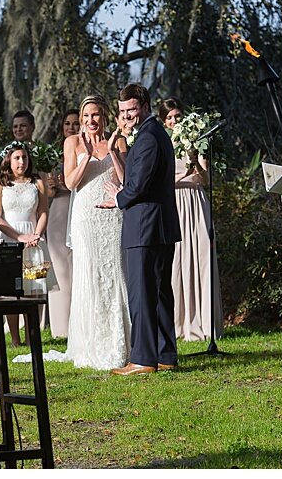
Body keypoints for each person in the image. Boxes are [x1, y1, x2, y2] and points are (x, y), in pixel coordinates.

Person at [111, 84, 182, 376]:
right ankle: (165, 354)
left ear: (145, 106)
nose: (127, 116)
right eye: (122, 111)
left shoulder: (149, 138)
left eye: (132, 109)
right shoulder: (155, 134)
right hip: (159, 227)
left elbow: (137, 184)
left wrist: (116, 198)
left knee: (142, 295)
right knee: (160, 293)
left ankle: (142, 359)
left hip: (145, 227)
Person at [62, 95, 130, 370]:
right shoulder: (73, 143)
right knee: (90, 272)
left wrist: (112, 151)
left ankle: (121, 341)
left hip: (113, 214)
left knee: (115, 273)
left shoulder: (120, 141)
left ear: (104, 116)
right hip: (86, 216)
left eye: (96, 115)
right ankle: (91, 343)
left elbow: (126, 180)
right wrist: (87, 156)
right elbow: (69, 183)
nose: (91, 121)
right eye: (86, 116)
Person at [162, 98, 221, 342]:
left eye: (177, 116)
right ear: (164, 121)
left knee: (201, 256)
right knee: (176, 261)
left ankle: (204, 322)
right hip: (173, 202)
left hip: (196, 202)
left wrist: (194, 161)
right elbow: (161, 181)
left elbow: (204, 178)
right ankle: (178, 323)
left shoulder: (196, 141)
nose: (174, 121)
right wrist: (182, 177)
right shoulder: (162, 143)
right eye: (169, 118)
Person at [0, 143, 52, 345]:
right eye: (17, 158)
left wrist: (36, 235)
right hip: (8, 237)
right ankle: (15, 338)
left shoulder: (37, 182)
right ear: (8, 160)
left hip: (33, 239)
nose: (21, 162)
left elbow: (43, 212)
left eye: (24, 157)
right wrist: (18, 237)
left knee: (32, 287)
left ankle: (32, 335)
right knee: (10, 289)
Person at [46, 108, 80, 338]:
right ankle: (61, 327)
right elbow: (48, 193)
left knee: (79, 267)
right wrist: (53, 184)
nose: (72, 127)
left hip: (79, 207)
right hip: (58, 209)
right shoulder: (52, 155)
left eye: (76, 123)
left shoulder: (86, 148)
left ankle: (80, 323)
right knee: (60, 270)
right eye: (68, 124)